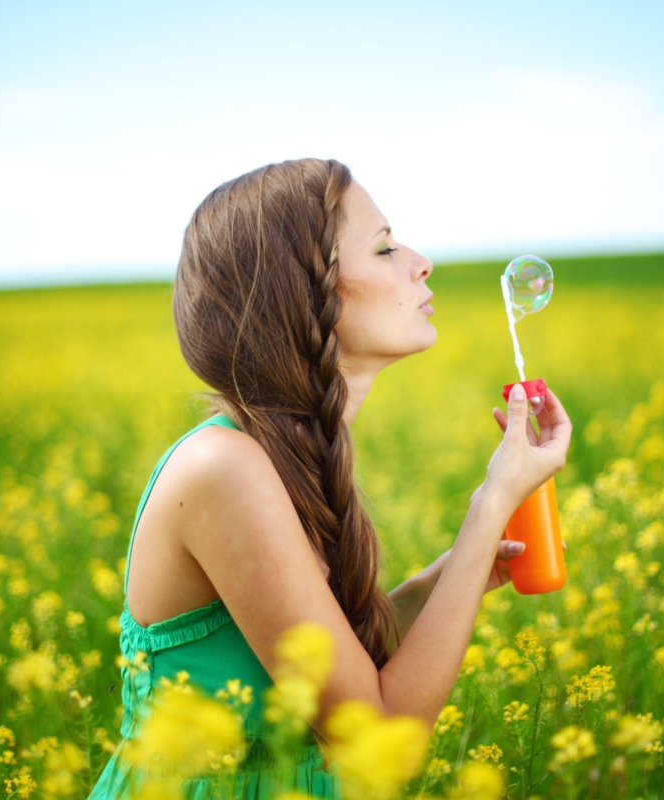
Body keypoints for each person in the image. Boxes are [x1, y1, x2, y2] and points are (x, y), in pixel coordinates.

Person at [88, 158, 572, 799]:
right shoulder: (225, 470)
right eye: (385, 247)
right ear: (306, 291)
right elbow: (373, 736)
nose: (420, 261)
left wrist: (459, 573)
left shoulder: (284, 457)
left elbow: (337, 665)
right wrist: (492, 505)